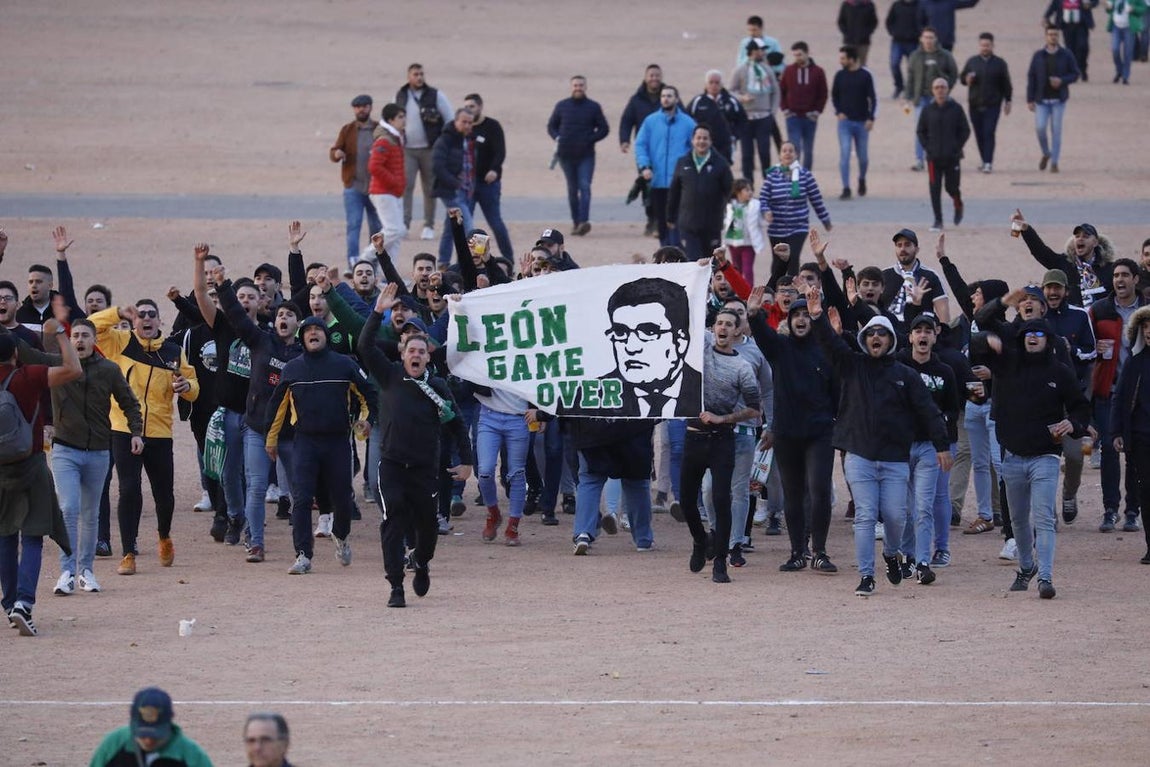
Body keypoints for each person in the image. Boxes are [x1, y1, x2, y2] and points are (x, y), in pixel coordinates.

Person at [806, 290, 950, 597]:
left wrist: (941, 445)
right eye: (870, 333)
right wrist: (817, 316)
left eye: (881, 334)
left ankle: (891, 554)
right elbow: (830, 345)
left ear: (891, 340)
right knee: (866, 516)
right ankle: (866, 575)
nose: (875, 337)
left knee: (896, 517)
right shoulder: (852, 365)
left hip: (895, 458)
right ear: (863, 339)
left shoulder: (906, 375)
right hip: (859, 455)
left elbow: (928, 410)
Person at [357, 284, 471, 607]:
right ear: (403, 355)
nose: (416, 355)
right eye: (411, 351)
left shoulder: (438, 386)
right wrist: (377, 312)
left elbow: (457, 424)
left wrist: (467, 461)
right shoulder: (389, 375)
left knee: (427, 527)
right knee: (392, 520)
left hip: (424, 469)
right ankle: (395, 585)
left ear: (428, 355)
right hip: (392, 465)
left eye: (421, 351)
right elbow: (364, 346)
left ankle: (421, 562)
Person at [985, 315, 1092, 600]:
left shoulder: (1060, 372)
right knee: (1018, 520)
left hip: (1045, 456)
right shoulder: (1007, 365)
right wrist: (992, 334)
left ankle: (1045, 577)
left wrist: (1073, 424)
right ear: (1022, 339)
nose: (1032, 337)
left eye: (1039, 334)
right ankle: (1026, 567)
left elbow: (1081, 407)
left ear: (1048, 340)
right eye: (1028, 333)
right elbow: (983, 323)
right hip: (1012, 456)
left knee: (1043, 517)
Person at [91, 299, 199, 576]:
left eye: (152, 314)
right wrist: (117, 313)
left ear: (160, 320)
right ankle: (128, 553)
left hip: (160, 432)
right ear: (134, 320)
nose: (146, 319)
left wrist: (186, 386)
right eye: (141, 315)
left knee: (164, 494)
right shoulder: (120, 342)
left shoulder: (173, 351)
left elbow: (193, 387)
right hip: (124, 428)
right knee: (129, 489)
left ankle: (164, 536)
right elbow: (91, 326)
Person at [266, 315, 375, 575]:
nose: (313, 334)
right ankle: (303, 555)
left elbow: (368, 395)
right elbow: (277, 406)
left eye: (318, 330)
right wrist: (271, 439)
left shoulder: (344, 364)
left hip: (338, 442)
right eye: (308, 331)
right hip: (305, 442)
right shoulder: (292, 368)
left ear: (326, 335)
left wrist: (366, 420)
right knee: (302, 499)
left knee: (343, 498)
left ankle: (342, 536)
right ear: (302, 338)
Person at [51, 319, 143, 597]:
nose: (79, 340)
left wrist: (136, 432)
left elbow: (130, 402)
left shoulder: (109, 370)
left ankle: (86, 571)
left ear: (94, 340)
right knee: (69, 508)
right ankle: (67, 572)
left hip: (99, 451)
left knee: (91, 514)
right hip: (64, 449)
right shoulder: (56, 367)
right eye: (75, 336)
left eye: (85, 335)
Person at [0, 324, 80, 636]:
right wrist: (60, 334)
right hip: (30, 464)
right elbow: (73, 369)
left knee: (5, 537)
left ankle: (9, 604)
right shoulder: (27, 376)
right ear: (15, 353)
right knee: (33, 535)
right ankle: (24, 603)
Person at [678, 308, 761, 584]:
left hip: (722, 440)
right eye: (719, 323)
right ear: (713, 328)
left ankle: (720, 562)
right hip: (693, 436)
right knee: (687, 501)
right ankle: (700, 540)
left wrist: (722, 418)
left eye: (728, 324)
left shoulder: (742, 367)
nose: (722, 328)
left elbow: (754, 409)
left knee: (721, 499)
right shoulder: (699, 352)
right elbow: (686, 323)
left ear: (737, 331)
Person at [571, 277, 703, 418]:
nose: (631, 347)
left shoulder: (705, 389)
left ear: (681, 341)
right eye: (620, 332)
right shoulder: (587, 397)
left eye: (648, 332)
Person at [758, 141, 832, 286]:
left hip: (798, 227)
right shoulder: (772, 176)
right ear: (780, 155)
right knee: (778, 259)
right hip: (776, 228)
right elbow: (763, 198)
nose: (787, 153)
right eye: (784, 151)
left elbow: (816, 199)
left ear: (796, 154)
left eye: (790, 151)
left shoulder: (805, 175)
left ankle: (793, 288)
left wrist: (825, 220)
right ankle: (776, 288)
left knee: (793, 257)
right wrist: (766, 211)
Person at [1110, 305, 1150, 563]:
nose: (1149, 331)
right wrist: (1116, 431)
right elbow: (1120, 398)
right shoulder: (1135, 363)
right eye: (1145, 327)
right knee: (1147, 491)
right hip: (1141, 437)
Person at [546, 75, 610, 236]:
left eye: (581, 85)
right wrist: (557, 137)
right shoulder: (562, 106)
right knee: (572, 189)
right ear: (571, 87)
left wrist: (590, 139)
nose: (578, 88)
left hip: (586, 155)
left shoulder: (593, 107)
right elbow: (551, 126)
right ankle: (576, 223)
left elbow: (604, 128)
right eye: (575, 85)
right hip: (565, 155)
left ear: (585, 87)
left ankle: (583, 221)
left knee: (585, 186)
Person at [634, 86, 696, 247]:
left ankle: (676, 249)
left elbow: (695, 148)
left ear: (676, 99)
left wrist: (689, 169)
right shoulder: (651, 121)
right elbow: (640, 145)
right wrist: (644, 166)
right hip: (658, 180)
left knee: (678, 218)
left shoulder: (688, 123)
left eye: (669, 96)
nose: (666, 99)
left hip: (680, 181)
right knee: (661, 219)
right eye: (663, 96)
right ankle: (665, 250)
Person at [396, 64, 453, 241]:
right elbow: (391, 118)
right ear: (409, 77)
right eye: (415, 74)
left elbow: (449, 119)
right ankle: (405, 223)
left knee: (429, 187)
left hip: (430, 149)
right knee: (406, 186)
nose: (419, 77)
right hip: (408, 149)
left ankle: (428, 225)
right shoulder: (400, 95)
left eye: (421, 74)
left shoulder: (435, 95)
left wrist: (444, 144)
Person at [89, 686, 212, 767]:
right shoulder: (114, 744)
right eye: (142, 734)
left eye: (156, 735)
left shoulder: (192, 756)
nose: (148, 741)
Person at [330, 95, 383, 269]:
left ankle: (372, 263)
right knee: (354, 225)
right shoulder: (348, 130)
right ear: (354, 109)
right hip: (354, 187)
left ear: (370, 107)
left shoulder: (379, 129)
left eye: (364, 106)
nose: (361, 109)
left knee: (376, 227)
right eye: (358, 107)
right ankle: (353, 262)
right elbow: (334, 151)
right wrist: (337, 154)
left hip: (375, 188)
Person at [667, 124, 735, 262]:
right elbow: (674, 191)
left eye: (705, 138)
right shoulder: (682, 162)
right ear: (692, 140)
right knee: (694, 263)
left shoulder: (721, 164)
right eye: (698, 138)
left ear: (710, 141)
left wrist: (733, 217)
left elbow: (730, 192)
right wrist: (670, 216)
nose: (701, 141)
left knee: (712, 264)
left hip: (712, 225)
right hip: (688, 225)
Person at [462, 93, 514, 260]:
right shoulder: (464, 127)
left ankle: (509, 259)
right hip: (468, 185)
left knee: (496, 223)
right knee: (465, 224)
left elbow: (500, 151)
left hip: (488, 184)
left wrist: (494, 170)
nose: (469, 110)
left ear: (480, 106)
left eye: (472, 106)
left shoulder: (492, 126)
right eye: (466, 107)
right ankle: (464, 261)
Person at [916, 77, 971, 232]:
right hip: (933, 159)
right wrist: (927, 147)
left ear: (947, 89)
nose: (940, 90)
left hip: (952, 157)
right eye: (937, 87)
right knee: (935, 189)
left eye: (943, 87)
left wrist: (956, 147)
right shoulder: (927, 109)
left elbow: (965, 130)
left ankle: (958, 204)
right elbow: (920, 131)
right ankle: (938, 220)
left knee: (951, 187)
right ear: (932, 90)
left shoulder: (956, 108)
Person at [1026, 25, 1081, 173]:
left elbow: (1075, 73)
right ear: (1046, 36)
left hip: (1058, 100)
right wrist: (1030, 98)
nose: (1053, 37)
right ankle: (1046, 153)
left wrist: (1062, 81)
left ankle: (1055, 162)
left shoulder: (1066, 54)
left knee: (1056, 131)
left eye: (1055, 34)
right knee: (1040, 128)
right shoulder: (1038, 55)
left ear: (1059, 36)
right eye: (1050, 34)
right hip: (1041, 100)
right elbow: (1031, 76)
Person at [619, 64, 665, 236]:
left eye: (657, 75)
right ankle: (651, 220)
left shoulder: (668, 96)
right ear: (646, 77)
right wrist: (624, 140)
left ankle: (661, 221)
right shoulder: (636, 100)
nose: (654, 78)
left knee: (664, 187)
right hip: (644, 151)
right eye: (651, 75)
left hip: (665, 150)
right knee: (648, 187)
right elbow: (626, 121)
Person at [904, 27, 958, 171]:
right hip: (920, 98)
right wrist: (907, 97)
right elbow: (910, 77)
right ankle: (919, 160)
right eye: (926, 37)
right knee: (921, 129)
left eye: (931, 37)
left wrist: (946, 89)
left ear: (936, 39)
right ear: (921, 39)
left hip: (938, 98)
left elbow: (953, 74)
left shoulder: (945, 55)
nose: (928, 40)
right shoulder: (915, 56)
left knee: (939, 129)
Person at [959, 32, 1013, 173]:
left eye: (987, 45)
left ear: (993, 46)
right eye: (982, 45)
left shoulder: (1000, 63)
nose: (985, 48)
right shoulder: (972, 61)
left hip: (993, 104)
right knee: (979, 134)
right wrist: (966, 79)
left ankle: (988, 162)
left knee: (989, 132)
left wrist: (1008, 100)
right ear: (979, 45)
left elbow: (1006, 83)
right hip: (974, 104)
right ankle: (984, 160)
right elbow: (962, 78)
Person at [731, 40, 781, 184]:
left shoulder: (767, 70)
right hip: (746, 118)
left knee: (764, 153)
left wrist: (772, 112)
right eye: (760, 50)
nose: (763, 53)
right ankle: (748, 185)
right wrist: (741, 98)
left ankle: (768, 184)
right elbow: (731, 91)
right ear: (753, 51)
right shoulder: (741, 70)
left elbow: (775, 91)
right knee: (747, 155)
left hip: (764, 117)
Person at [831, 45, 877, 199]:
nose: (841, 61)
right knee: (845, 153)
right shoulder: (839, 75)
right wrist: (838, 111)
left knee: (863, 157)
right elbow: (835, 96)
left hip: (862, 122)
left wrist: (871, 118)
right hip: (845, 122)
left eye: (843, 58)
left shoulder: (865, 75)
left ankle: (862, 178)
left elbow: (873, 98)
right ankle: (846, 187)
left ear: (852, 59)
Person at [432, 109, 477, 267]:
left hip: (465, 190)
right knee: (468, 227)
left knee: (450, 227)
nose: (467, 125)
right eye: (464, 122)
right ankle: (467, 263)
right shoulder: (445, 139)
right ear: (455, 121)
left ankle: (443, 262)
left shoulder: (468, 139)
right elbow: (437, 166)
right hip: (451, 191)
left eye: (470, 122)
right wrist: (454, 182)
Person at [882, 227, 951, 324]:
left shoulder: (930, 276)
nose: (902, 249)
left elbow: (944, 315)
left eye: (907, 245)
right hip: (888, 329)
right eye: (899, 245)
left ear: (917, 249)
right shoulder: (884, 275)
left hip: (920, 329)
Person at [779, 42, 828, 170]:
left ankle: (806, 176)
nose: (797, 58)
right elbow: (782, 91)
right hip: (793, 116)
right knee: (795, 148)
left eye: (800, 55)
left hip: (810, 117)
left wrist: (817, 111)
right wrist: (785, 109)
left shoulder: (818, 72)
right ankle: (795, 175)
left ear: (807, 53)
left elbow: (823, 93)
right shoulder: (789, 70)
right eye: (795, 55)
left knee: (808, 149)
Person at [367, 103, 407, 261]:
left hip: (392, 192)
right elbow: (374, 166)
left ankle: (389, 272)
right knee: (393, 231)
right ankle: (364, 259)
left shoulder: (395, 137)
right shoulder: (384, 140)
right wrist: (394, 182)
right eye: (400, 117)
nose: (404, 120)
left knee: (397, 233)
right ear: (391, 120)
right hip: (383, 191)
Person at [686, 70, 746, 165]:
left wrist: (734, 136)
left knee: (724, 168)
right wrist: (695, 136)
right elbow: (687, 120)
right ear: (706, 85)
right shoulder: (698, 102)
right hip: (703, 143)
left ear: (721, 85)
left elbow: (742, 120)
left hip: (725, 144)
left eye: (717, 83)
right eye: (711, 82)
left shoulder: (731, 101)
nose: (714, 85)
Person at [1045, 0, 1100, 81]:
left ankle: (1083, 67)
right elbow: (1054, 4)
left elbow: (1095, 1)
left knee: (1083, 47)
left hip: (1081, 25)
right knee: (1070, 49)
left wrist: (1090, 4)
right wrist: (1046, 16)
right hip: (1067, 26)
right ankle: (1075, 70)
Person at [887, 0, 924, 98]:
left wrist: (920, 34)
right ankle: (899, 86)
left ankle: (910, 90)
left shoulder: (920, 5)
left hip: (914, 42)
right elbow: (889, 21)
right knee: (894, 64)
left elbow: (925, 21)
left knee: (912, 68)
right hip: (897, 41)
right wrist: (893, 32)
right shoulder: (896, 5)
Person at [1107, 0, 1147, 84]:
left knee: (1128, 52)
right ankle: (1119, 70)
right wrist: (1108, 7)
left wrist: (1134, 9)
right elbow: (1109, 8)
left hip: (1128, 27)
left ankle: (1125, 76)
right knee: (1115, 49)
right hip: (1116, 26)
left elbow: (1143, 8)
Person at [917, 0, 981, 50]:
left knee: (946, 63)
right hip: (930, 42)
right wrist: (925, 37)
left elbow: (970, 3)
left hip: (947, 41)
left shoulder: (949, 1)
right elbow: (920, 22)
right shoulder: (924, 3)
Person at [838, 0, 879, 65]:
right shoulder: (846, 4)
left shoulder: (869, 5)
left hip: (864, 42)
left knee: (861, 64)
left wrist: (866, 34)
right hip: (849, 41)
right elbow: (841, 21)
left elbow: (873, 22)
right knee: (848, 64)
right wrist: (846, 33)